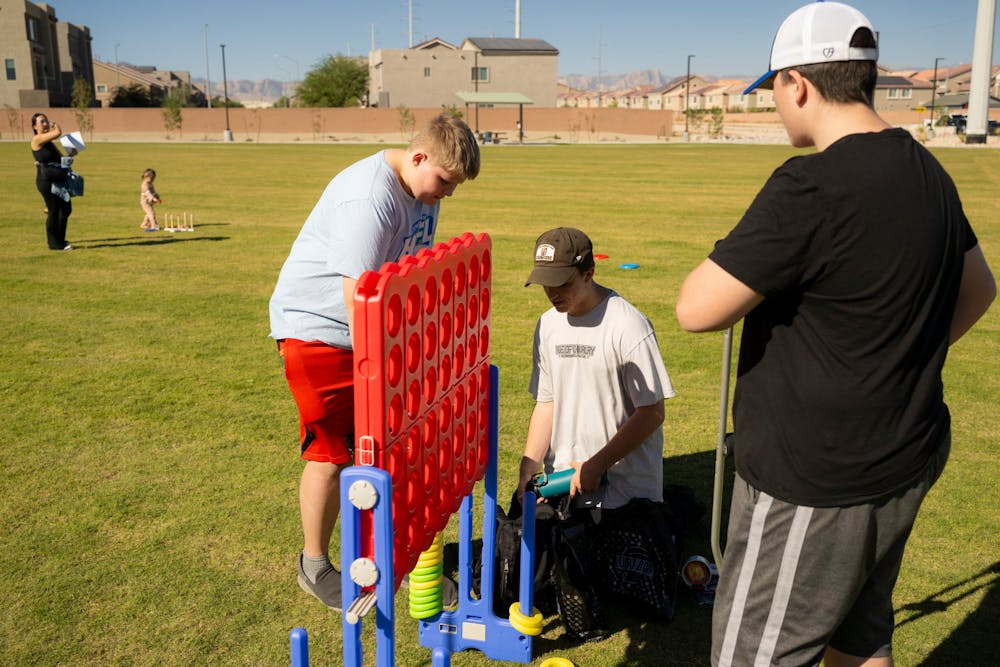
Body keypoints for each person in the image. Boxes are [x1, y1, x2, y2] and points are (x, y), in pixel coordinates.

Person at [674, 3, 996, 666]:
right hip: (906, 455)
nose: (777, 107)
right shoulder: (926, 169)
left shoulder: (810, 184)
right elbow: (979, 288)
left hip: (815, 480)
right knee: (858, 637)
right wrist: (895, 360)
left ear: (799, 84)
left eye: (775, 92)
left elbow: (696, 308)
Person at [269, 113, 480, 611]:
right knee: (333, 452)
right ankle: (314, 563)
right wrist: (388, 365)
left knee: (392, 451)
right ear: (419, 157)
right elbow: (355, 298)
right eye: (445, 181)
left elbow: (408, 276)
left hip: (375, 337)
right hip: (319, 334)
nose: (447, 194)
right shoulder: (371, 198)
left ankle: (393, 559)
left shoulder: (421, 191)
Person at [517, 227, 675, 513]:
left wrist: (596, 465)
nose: (552, 293)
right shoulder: (548, 325)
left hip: (625, 496)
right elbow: (547, 403)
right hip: (562, 487)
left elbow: (652, 412)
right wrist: (528, 468)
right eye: (546, 283)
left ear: (588, 274)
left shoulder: (628, 325)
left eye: (563, 283)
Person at [30, 113, 75, 251]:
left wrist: (71, 154)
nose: (45, 123)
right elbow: (58, 133)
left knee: (66, 209)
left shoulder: (49, 144)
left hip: (58, 179)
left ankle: (60, 240)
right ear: (34, 126)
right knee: (54, 210)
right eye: (42, 122)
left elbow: (61, 161)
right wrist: (56, 128)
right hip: (46, 180)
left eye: (46, 121)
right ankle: (54, 243)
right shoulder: (36, 139)